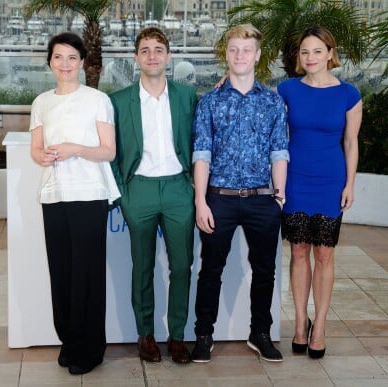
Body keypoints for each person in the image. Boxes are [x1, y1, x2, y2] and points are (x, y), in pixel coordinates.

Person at [191, 24, 289, 364]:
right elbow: (201, 153)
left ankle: (260, 333)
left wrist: (280, 197)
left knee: (265, 271)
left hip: (263, 199)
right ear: (226, 54)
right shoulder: (210, 101)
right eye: (233, 50)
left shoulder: (273, 102)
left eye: (246, 50)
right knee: (210, 270)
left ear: (258, 55)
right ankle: (204, 334)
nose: (240, 56)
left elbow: (279, 151)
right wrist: (200, 200)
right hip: (220, 198)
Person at [29, 32, 120, 375]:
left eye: (71, 57)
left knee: (88, 274)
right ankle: (68, 340)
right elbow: (35, 149)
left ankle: (90, 348)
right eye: (58, 57)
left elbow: (108, 151)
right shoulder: (41, 103)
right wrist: (46, 155)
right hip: (54, 195)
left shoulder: (97, 100)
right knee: (62, 272)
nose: (64, 64)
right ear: (50, 61)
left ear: (82, 62)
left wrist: (74, 149)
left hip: (89, 195)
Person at [109, 27, 197, 364]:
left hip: (178, 188)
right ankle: (145, 335)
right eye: (145, 50)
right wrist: (123, 195)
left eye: (158, 49)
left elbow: (201, 138)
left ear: (169, 56)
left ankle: (177, 337)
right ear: (136, 58)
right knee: (142, 267)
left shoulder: (187, 96)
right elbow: (112, 152)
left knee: (182, 267)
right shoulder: (119, 101)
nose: (152, 56)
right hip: (139, 190)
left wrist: (193, 186)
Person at [277, 26, 362, 359]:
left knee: (325, 254)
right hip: (295, 179)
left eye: (316, 51)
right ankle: (300, 324)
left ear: (330, 53)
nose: (309, 58)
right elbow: (263, 116)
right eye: (304, 52)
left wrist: (350, 184)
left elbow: (351, 143)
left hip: (330, 180)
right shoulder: (286, 89)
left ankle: (321, 326)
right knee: (298, 251)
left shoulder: (349, 94)